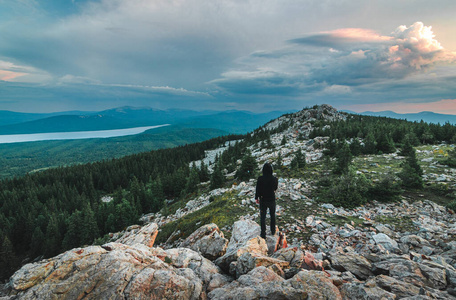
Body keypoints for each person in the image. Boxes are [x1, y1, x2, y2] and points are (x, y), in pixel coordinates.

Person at [255, 162, 278, 239]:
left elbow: (257, 189)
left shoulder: (260, 179)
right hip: (271, 199)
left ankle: (263, 233)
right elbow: (275, 188)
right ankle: (273, 231)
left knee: (263, 217)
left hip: (263, 199)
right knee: (272, 216)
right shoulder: (274, 179)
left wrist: (256, 198)